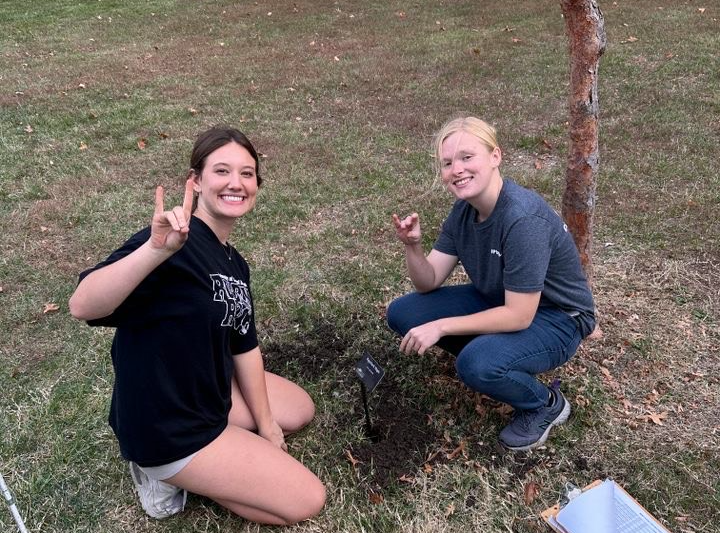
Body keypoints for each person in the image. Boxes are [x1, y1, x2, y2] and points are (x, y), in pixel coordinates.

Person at [69, 126, 326, 524]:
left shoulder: (233, 262)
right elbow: (82, 304)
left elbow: (245, 346)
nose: (236, 183)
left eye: (247, 173)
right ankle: (160, 473)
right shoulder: (172, 241)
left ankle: (224, 456)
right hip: (167, 426)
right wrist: (153, 251)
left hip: (207, 392)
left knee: (297, 410)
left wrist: (266, 425)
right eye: (221, 171)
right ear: (196, 181)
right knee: (306, 500)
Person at [387, 117, 595, 451]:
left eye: (467, 157)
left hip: (556, 318)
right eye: (448, 162)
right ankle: (495, 354)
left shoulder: (522, 219)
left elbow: (519, 316)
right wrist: (412, 246)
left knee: (476, 364)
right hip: (500, 298)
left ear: (495, 156)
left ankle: (544, 404)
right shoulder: (464, 212)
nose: (457, 169)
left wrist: (441, 327)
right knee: (403, 312)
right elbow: (429, 281)